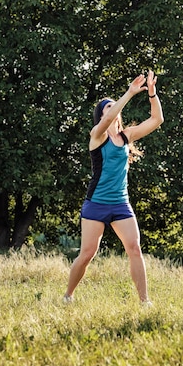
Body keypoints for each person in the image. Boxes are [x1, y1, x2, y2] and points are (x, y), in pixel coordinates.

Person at [64, 70, 164, 304]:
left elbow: (157, 120)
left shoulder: (126, 137)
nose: (112, 111)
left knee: (135, 249)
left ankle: (144, 301)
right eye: (107, 108)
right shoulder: (97, 136)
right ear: (101, 115)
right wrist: (129, 93)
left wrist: (152, 93)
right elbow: (107, 121)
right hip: (96, 204)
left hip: (121, 204)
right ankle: (68, 296)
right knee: (87, 254)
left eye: (114, 107)